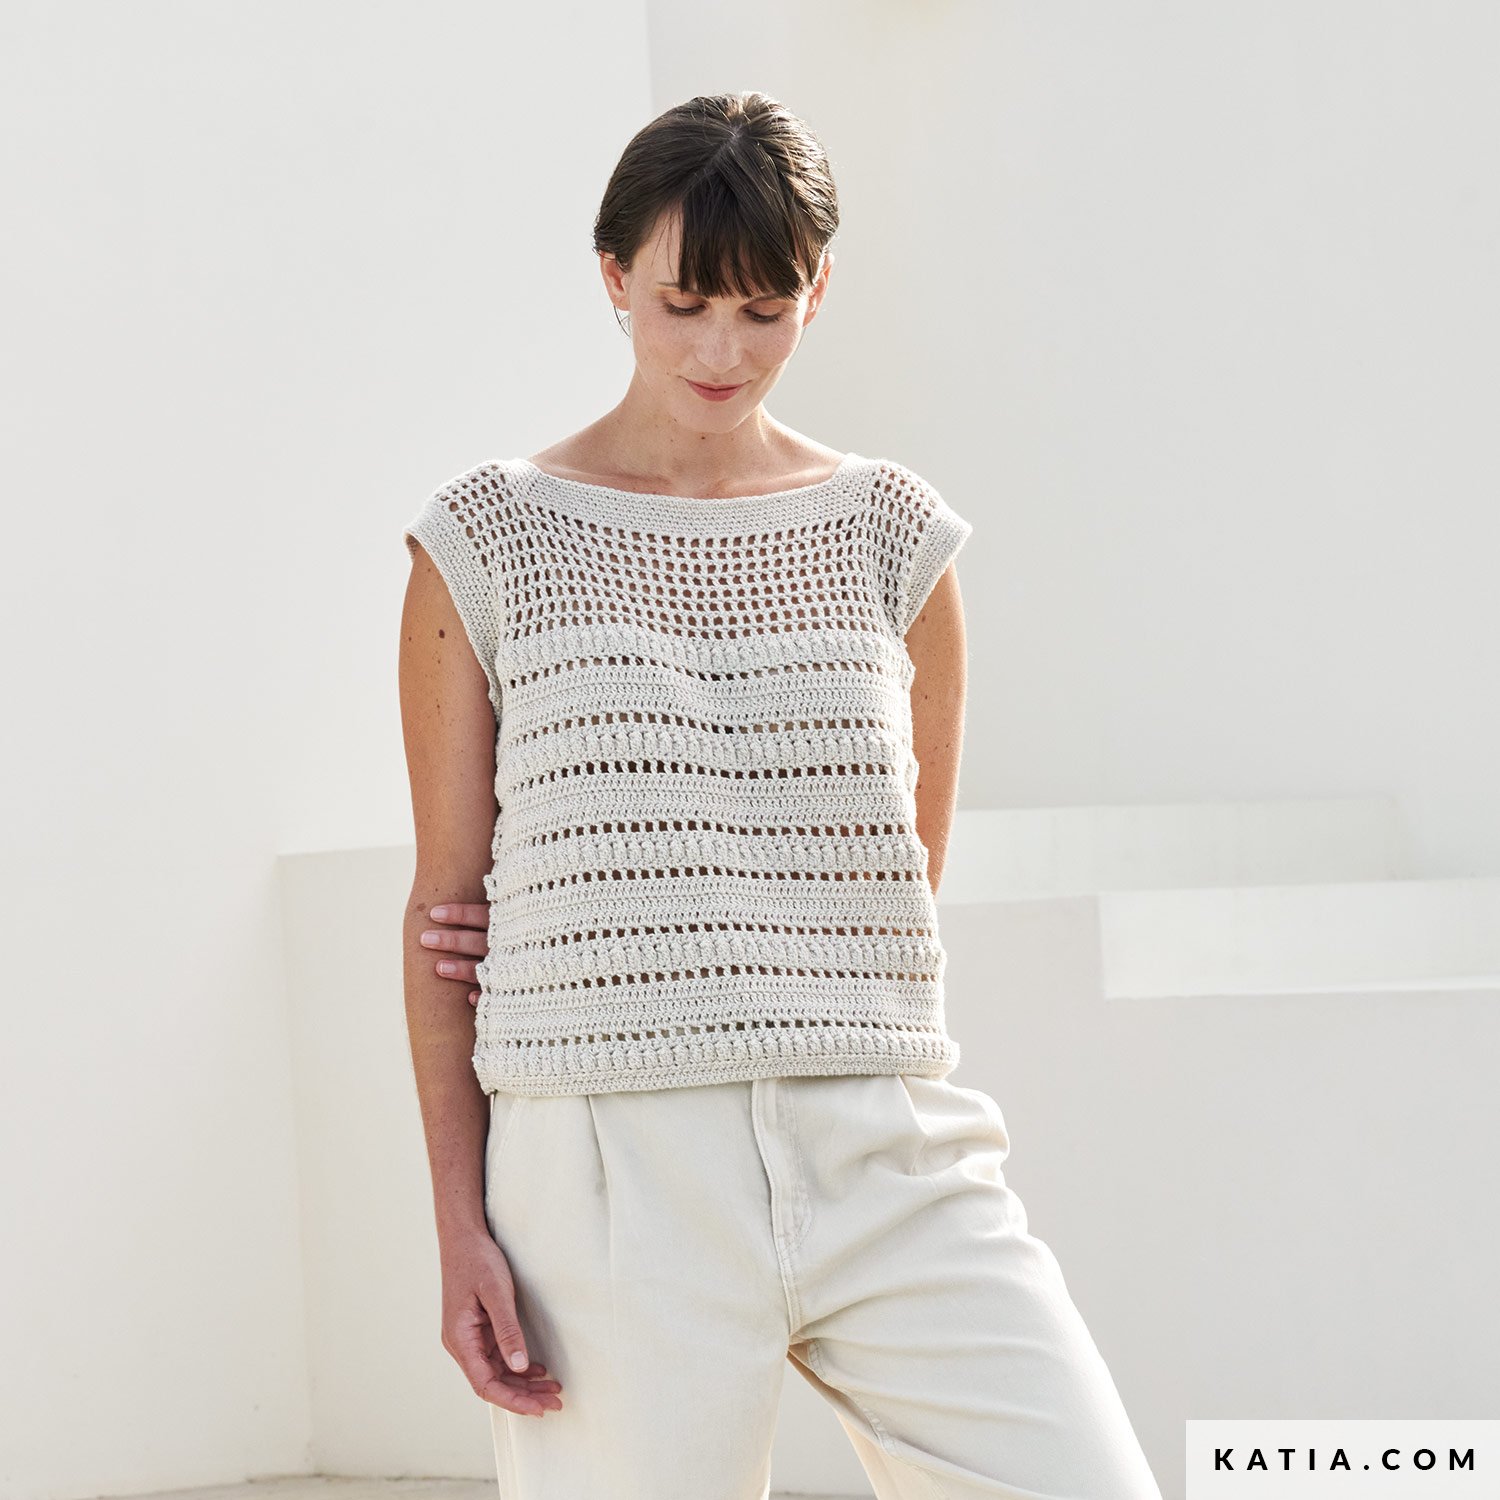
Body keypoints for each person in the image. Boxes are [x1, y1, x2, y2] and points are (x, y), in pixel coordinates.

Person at [398, 91, 1162, 1500]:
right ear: (614, 277)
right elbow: (444, 913)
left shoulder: (893, 536)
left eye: (764, 308)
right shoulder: (488, 538)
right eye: (683, 302)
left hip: (883, 1141)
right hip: (610, 1167)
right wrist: (462, 1225)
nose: (721, 351)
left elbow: (902, 883)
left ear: (818, 290)